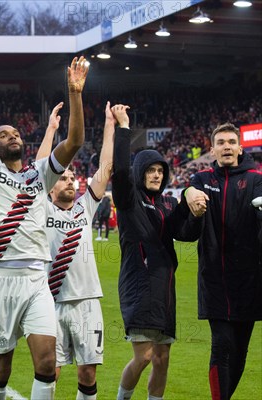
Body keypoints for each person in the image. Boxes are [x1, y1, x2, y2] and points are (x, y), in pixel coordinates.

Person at [0, 37, 89, 399]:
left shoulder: (40, 173)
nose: (11, 135)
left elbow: (74, 141)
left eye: (15, 132)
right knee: (1, 366)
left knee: (46, 363)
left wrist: (75, 94)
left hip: (35, 280)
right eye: (3, 134)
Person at [111, 105, 201, 400]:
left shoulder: (167, 204)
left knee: (162, 359)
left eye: (160, 171)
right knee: (145, 356)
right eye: (150, 170)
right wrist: (123, 128)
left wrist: (195, 213)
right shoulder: (129, 199)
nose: (156, 175)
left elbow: (183, 232)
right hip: (139, 286)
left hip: (165, 289)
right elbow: (121, 171)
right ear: (140, 172)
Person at [37, 101, 115, 400]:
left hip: (87, 301)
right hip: (51, 301)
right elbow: (41, 167)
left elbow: (105, 168)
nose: (70, 180)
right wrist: (51, 130)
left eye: (73, 178)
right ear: (51, 186)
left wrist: (109, 126)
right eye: (64, 178)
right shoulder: (41, 208)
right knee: (49, 370)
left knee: (88, 371)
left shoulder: (85, 206)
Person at [182, 122, 262, 400]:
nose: (226, 146)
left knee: (240, 351)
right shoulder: (201, 180)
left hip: (249, 281)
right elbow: (188, 233)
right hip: (214, 279)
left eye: (231, 142)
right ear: (212, 149)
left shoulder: (256, 179)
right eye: (221, 142)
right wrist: (189, 199)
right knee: (222, 345)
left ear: (240, 148)